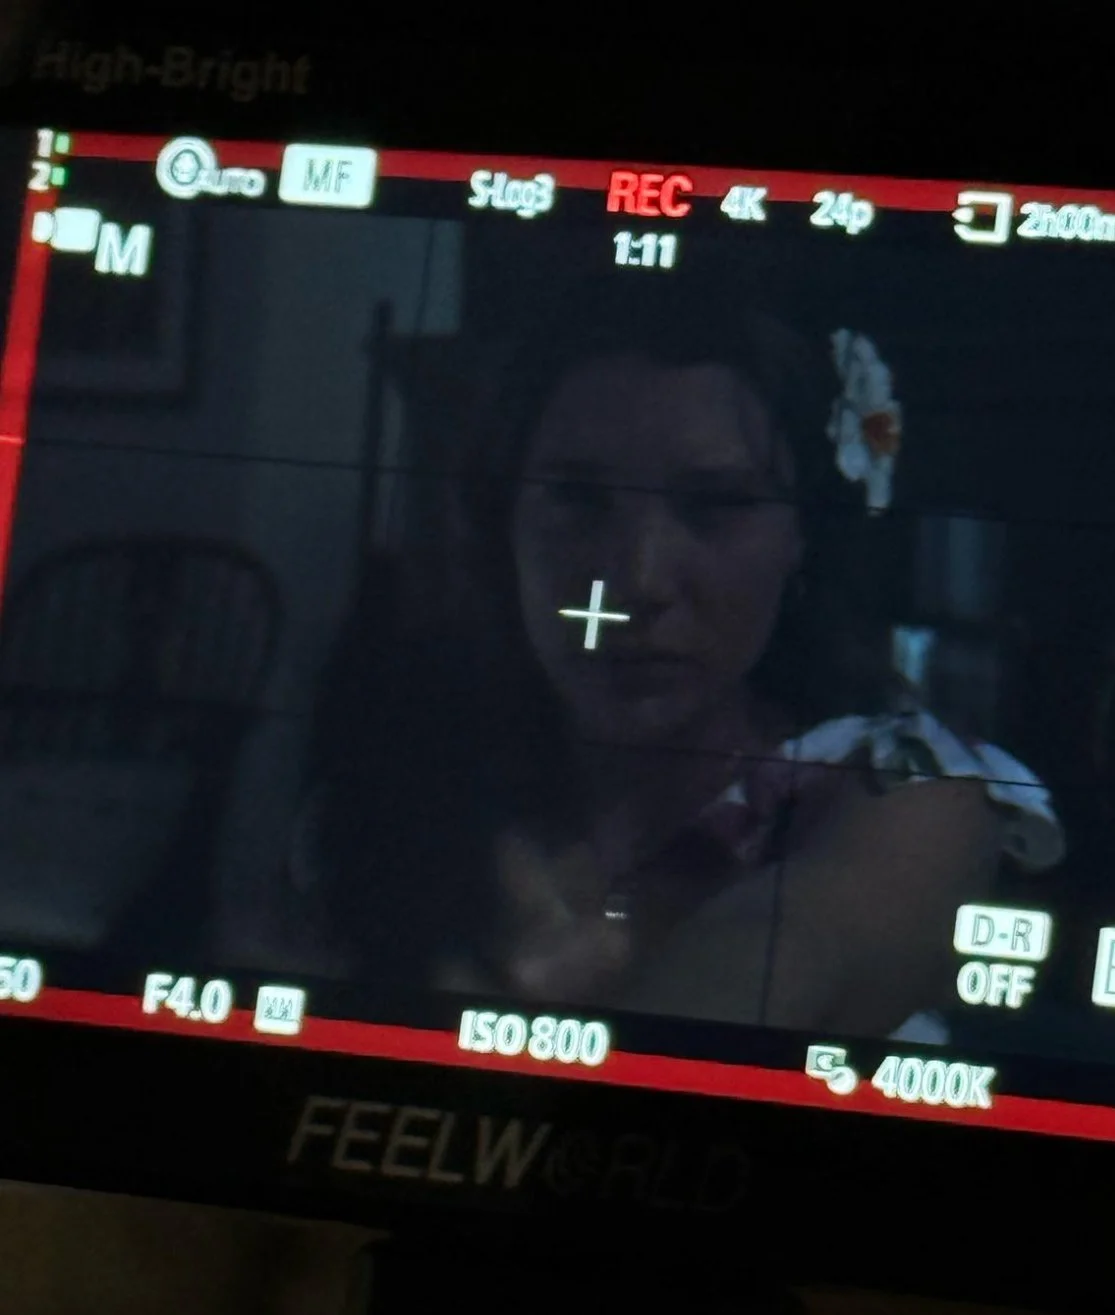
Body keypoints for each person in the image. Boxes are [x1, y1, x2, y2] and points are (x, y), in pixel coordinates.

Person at [300, 266, 1063, 1042]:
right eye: (578, 499)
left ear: (799, 538)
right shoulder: (402, 789)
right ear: (503, 525)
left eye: (716, 504)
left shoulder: (894, 784)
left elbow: (802, 946)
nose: (639, 580)